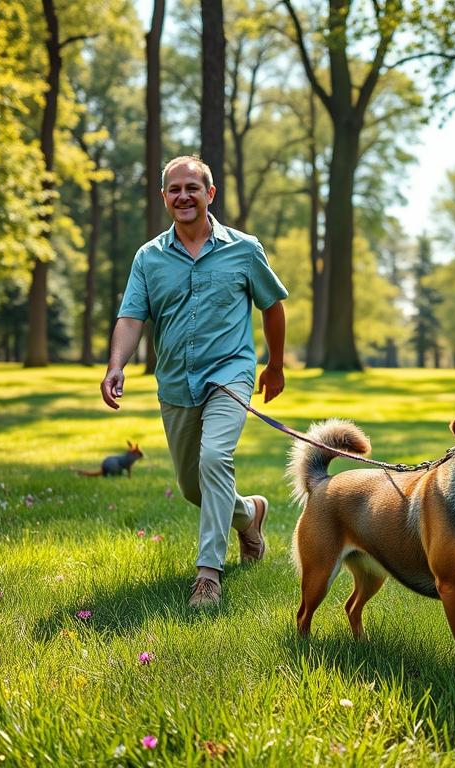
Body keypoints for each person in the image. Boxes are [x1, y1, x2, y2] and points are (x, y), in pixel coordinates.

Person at [101, 155, 287, 608]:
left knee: (214, 458)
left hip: (230, 373)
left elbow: (272, 306)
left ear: (210, 194)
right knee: (192, 487)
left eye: (192, 188)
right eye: (174, 189)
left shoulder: (244, 249)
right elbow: (130, 317)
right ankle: (250, 515)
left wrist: (275, 365)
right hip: (176, 382)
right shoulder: (149, 257)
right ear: (164, 197)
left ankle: (208, 575)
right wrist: (116, 364)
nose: (183, 196)